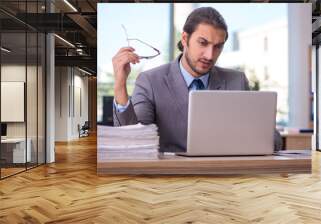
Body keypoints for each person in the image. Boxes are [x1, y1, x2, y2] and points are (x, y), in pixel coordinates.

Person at [112, 7, 282, 152]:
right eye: (203, 43)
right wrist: (120, 84)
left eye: (217, 47)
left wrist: (257, 134)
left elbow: (272, 140)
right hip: (171, 180)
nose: (210, 55)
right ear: (185, 39)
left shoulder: (236, 81)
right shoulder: (150, 81)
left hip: (224, 178)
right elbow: (133, 139)